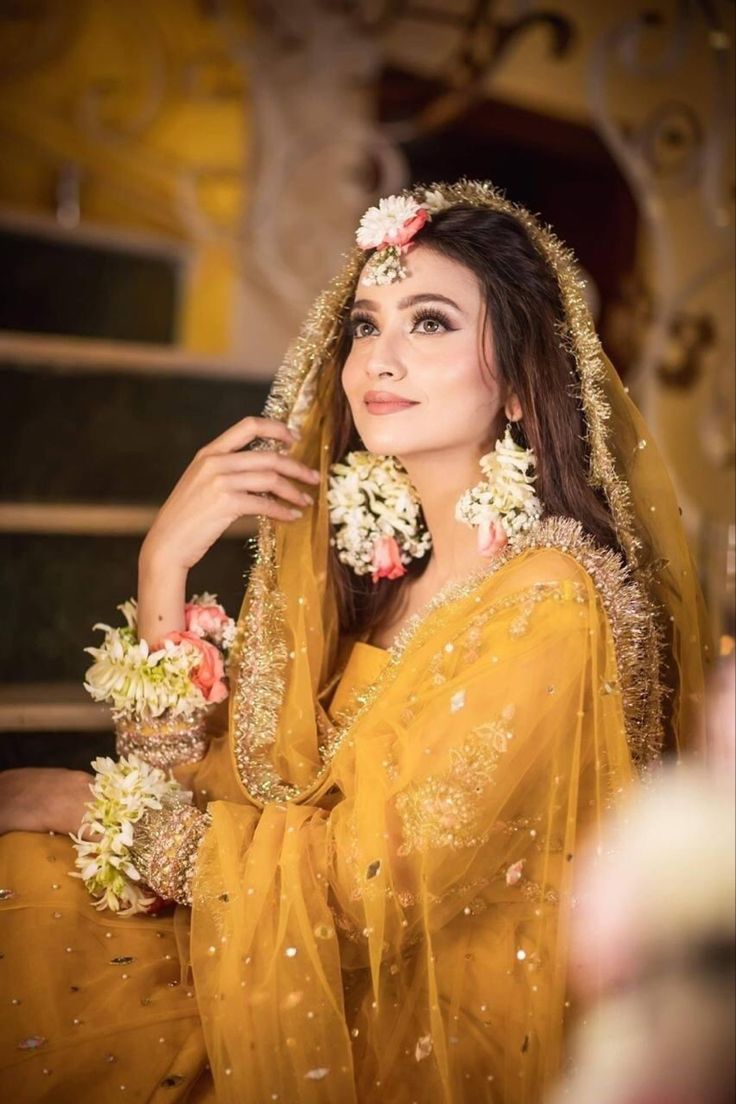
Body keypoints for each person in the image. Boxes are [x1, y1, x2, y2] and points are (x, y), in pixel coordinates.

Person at [0, 180, 708, 1103]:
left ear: (526, 387)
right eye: (366, 325)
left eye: (430, 322)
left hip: (400, 1024)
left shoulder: (549, 601)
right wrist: (162, 566)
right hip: (279, 964)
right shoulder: (379, 571)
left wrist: (77, 804)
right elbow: (201, 790)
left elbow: (352, 897)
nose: (380, 357)